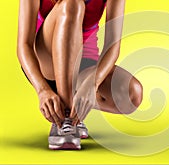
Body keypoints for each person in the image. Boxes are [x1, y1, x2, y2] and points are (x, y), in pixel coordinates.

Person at [17, 0, 143, 150]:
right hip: (46, 63)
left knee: (131, 94)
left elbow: (112, 47)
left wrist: (92, 83)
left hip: (84, 66)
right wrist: (42, 89)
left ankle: (73, 110)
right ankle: (64, 119)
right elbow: (24, 45)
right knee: (72, 4)